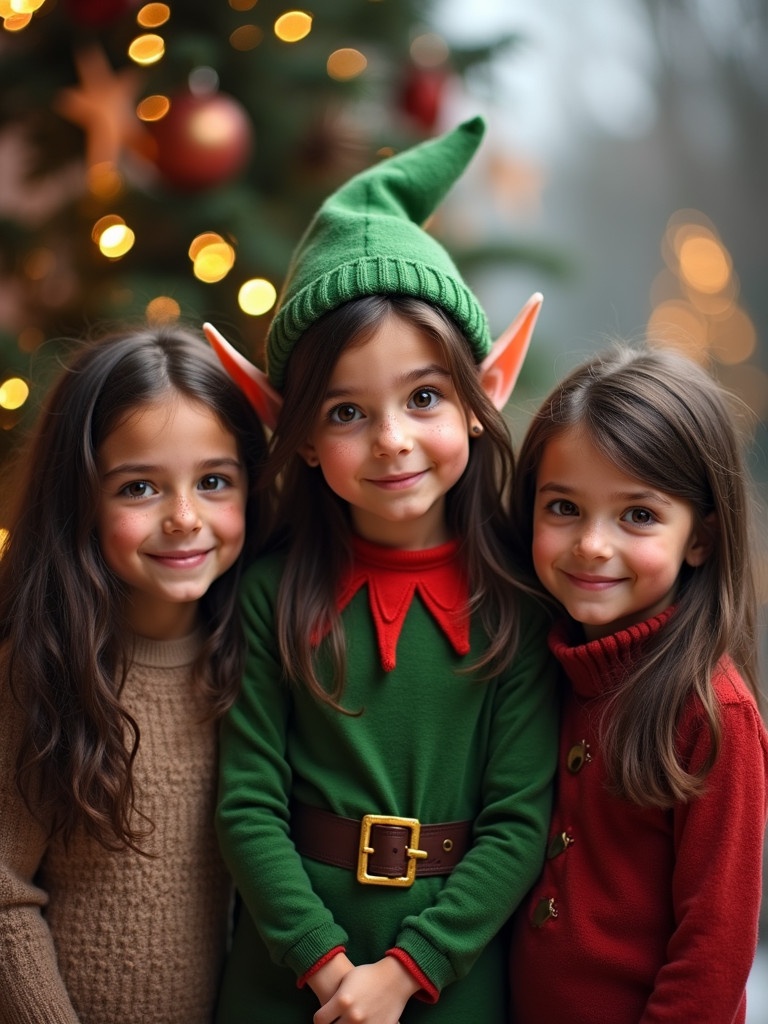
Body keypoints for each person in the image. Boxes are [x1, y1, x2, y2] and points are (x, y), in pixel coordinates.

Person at [207, 116, 559, 1024]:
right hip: (287, 980)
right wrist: (328, 972)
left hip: (450, 979)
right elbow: (247, 809)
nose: (393, 439)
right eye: (348, 411)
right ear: (305, 440)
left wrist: (405, 973)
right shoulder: (266, 595)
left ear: (480, 402)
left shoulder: (518, 601)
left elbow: (519, 822)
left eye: (425, 397)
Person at [0, 324, 270, 1024]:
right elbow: (4, 895)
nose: (185, 518)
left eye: (214, 482)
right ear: (81, 499)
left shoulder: (255, 659)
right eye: (140, 487)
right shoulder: (37, 674)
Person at [507, 343, 768, 1023]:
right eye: (563, 507)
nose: (593, 544)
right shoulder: (539, 671)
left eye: (639, 515)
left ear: (701, 538)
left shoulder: (714, 714)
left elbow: (712, 954)